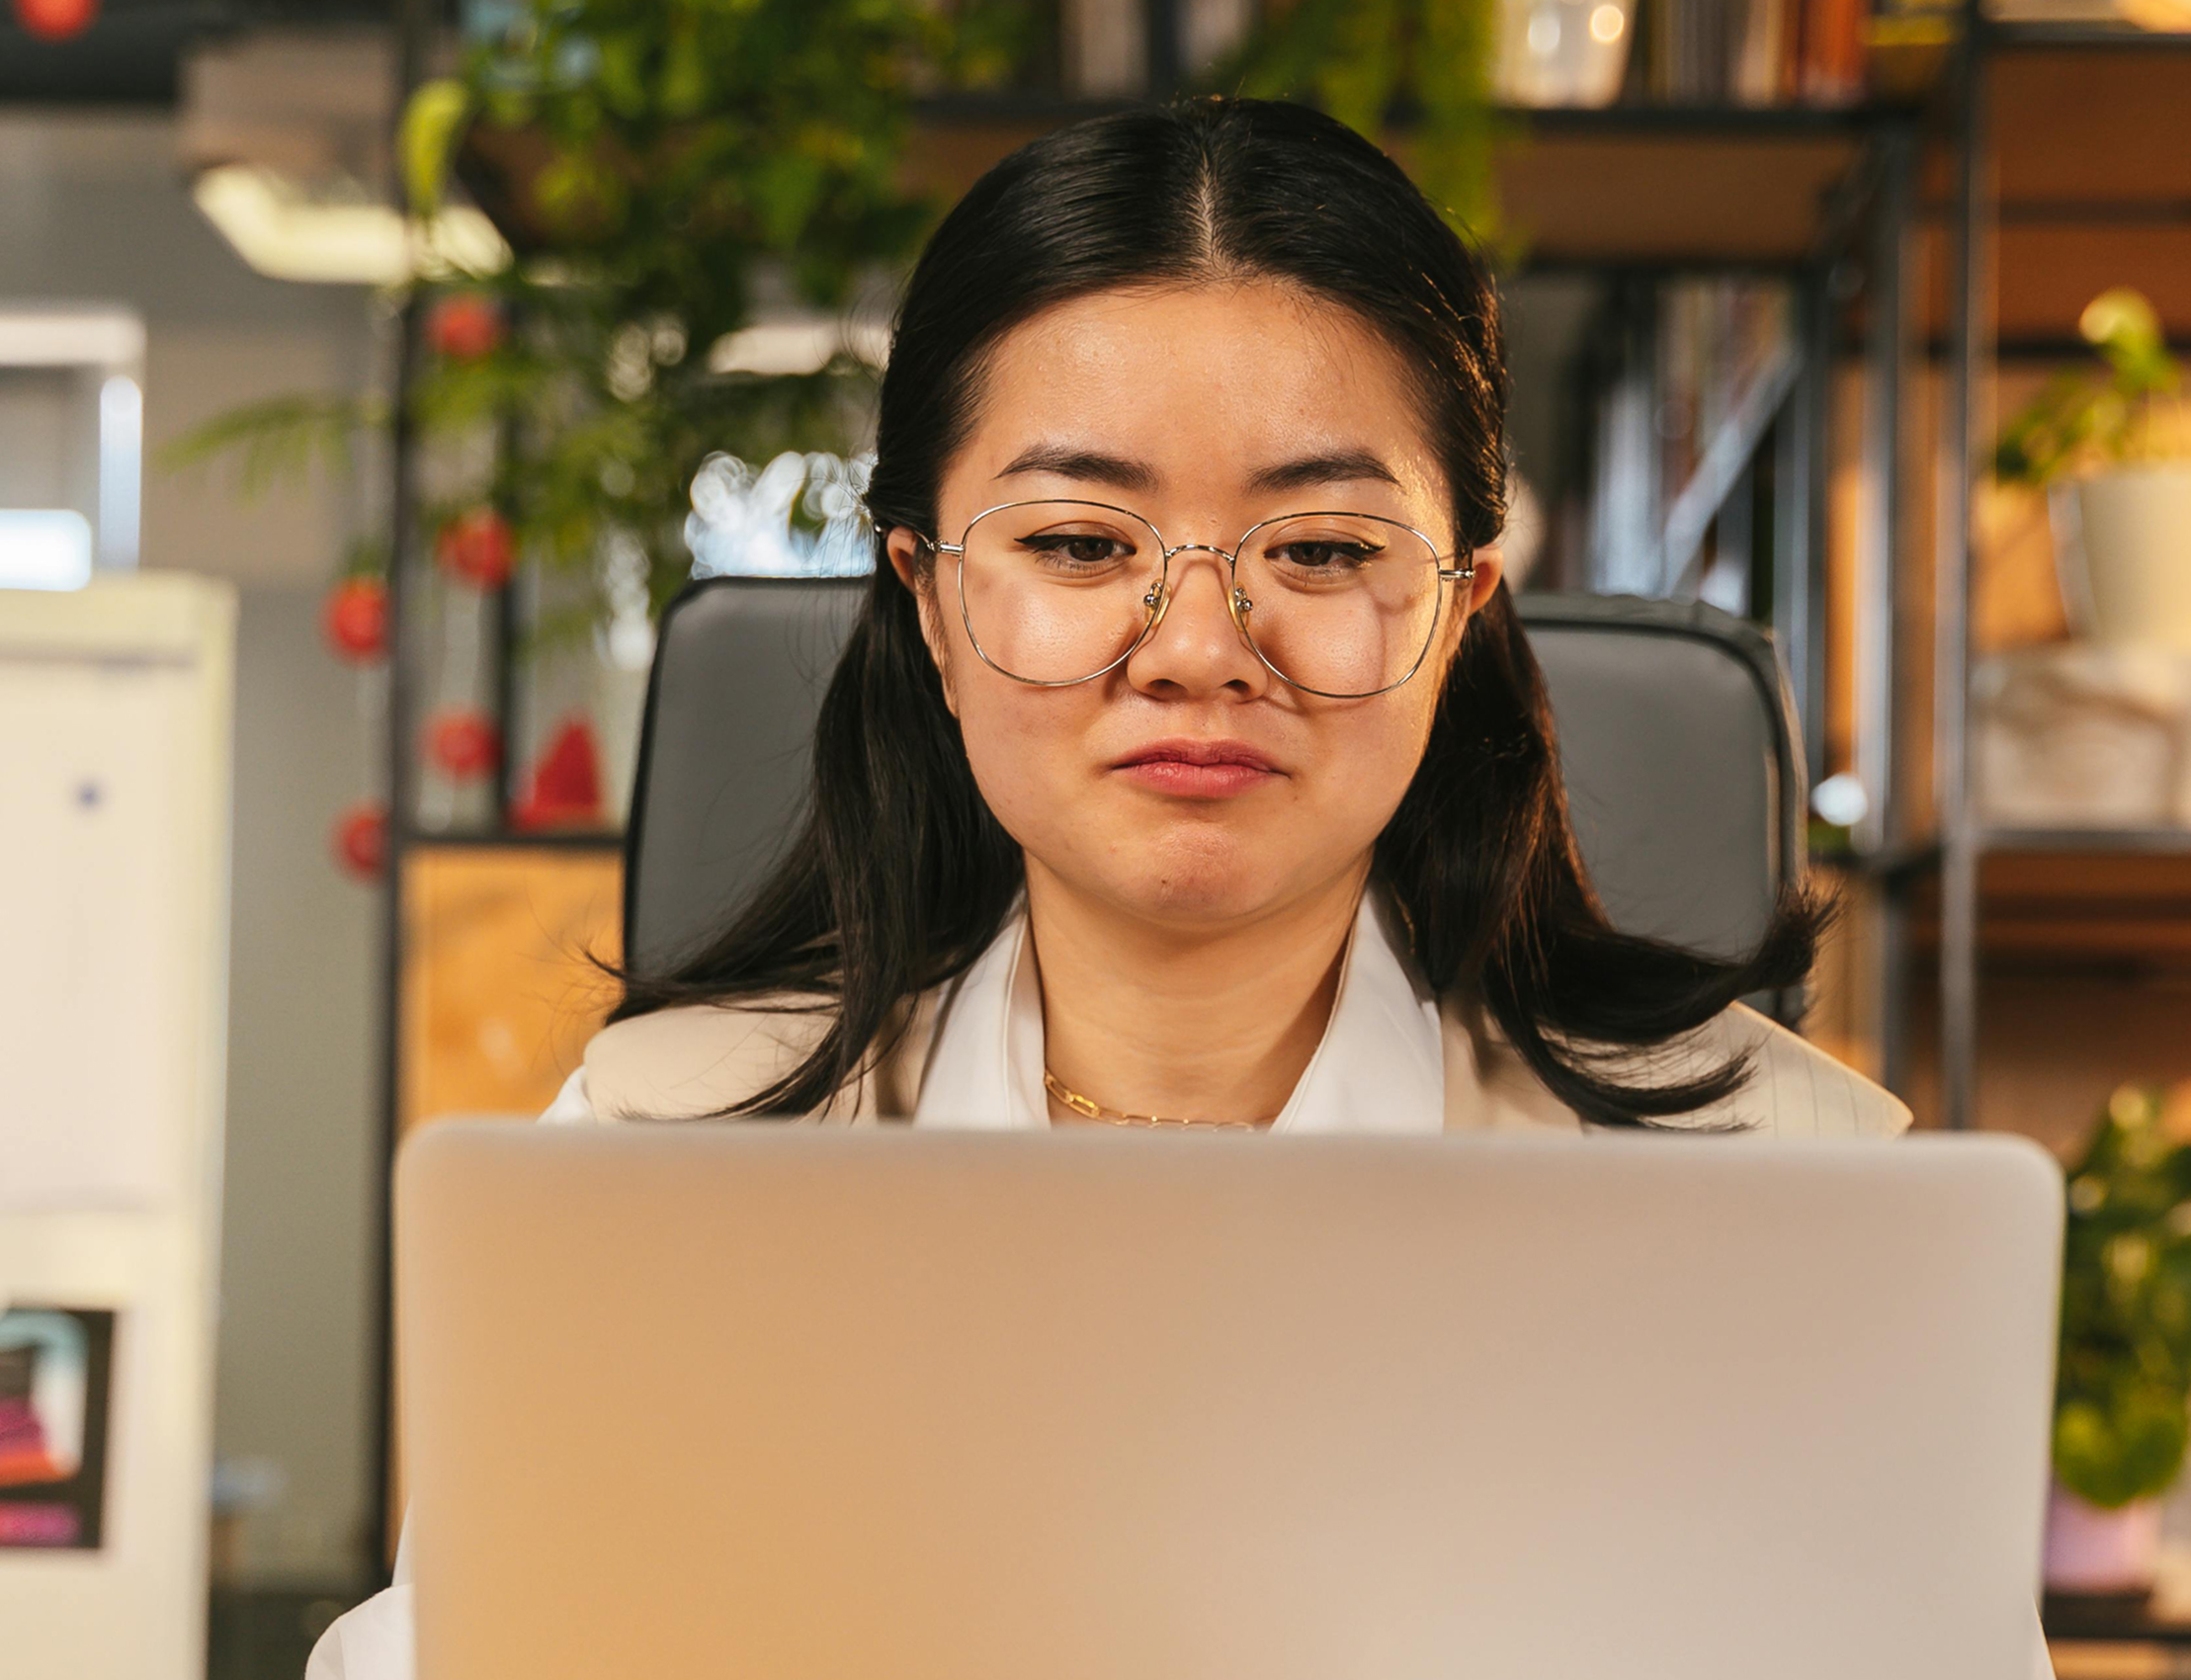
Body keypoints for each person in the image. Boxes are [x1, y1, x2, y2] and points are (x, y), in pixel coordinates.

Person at [307, 94, 1909, 1680]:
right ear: (928, 601)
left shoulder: (1781, 1194)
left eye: (1327, 550)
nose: (1200, 651)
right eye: (1081, 543)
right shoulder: (656, 1170)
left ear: (1461, 607)